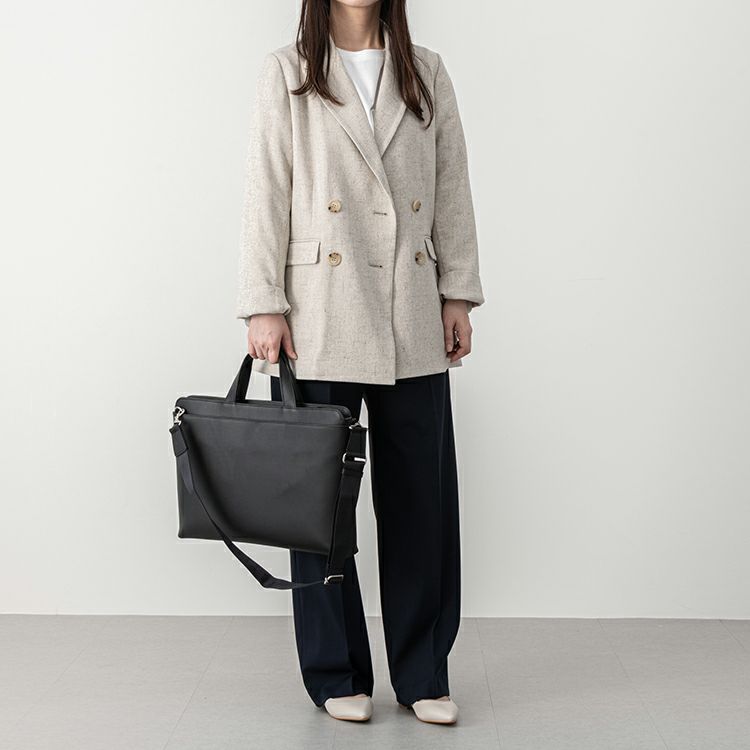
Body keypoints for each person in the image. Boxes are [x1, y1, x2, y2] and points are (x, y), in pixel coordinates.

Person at [235, 0, 484, 725]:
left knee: (420, 503)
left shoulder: (425, 71)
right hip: (319, 309)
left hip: (411, 305)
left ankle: (423, 672)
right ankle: (335, 670)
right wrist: (263, 302)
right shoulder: (288, 71)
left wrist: (458, 292)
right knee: (319, 509)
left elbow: (451, 187)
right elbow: (266, 188)